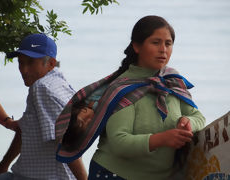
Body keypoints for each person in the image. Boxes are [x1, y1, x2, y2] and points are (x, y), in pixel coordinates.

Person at [85, 15, 206, 179]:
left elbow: (198, 116)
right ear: (136, 46)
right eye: (156, 43)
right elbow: (120, 143)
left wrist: (186, 122)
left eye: (168, 43)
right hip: (113, 174)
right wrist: (162, 139)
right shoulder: (124, 88)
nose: (163, 49)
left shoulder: (171, 81)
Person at [0, 33, 87, 180]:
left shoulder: (42, 88)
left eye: (30, 62)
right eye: (20, 63)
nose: (24, 70)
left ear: (50, 63)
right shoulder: (58, 83)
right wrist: (2, 167)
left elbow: (66, 140)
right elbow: (24, 130)